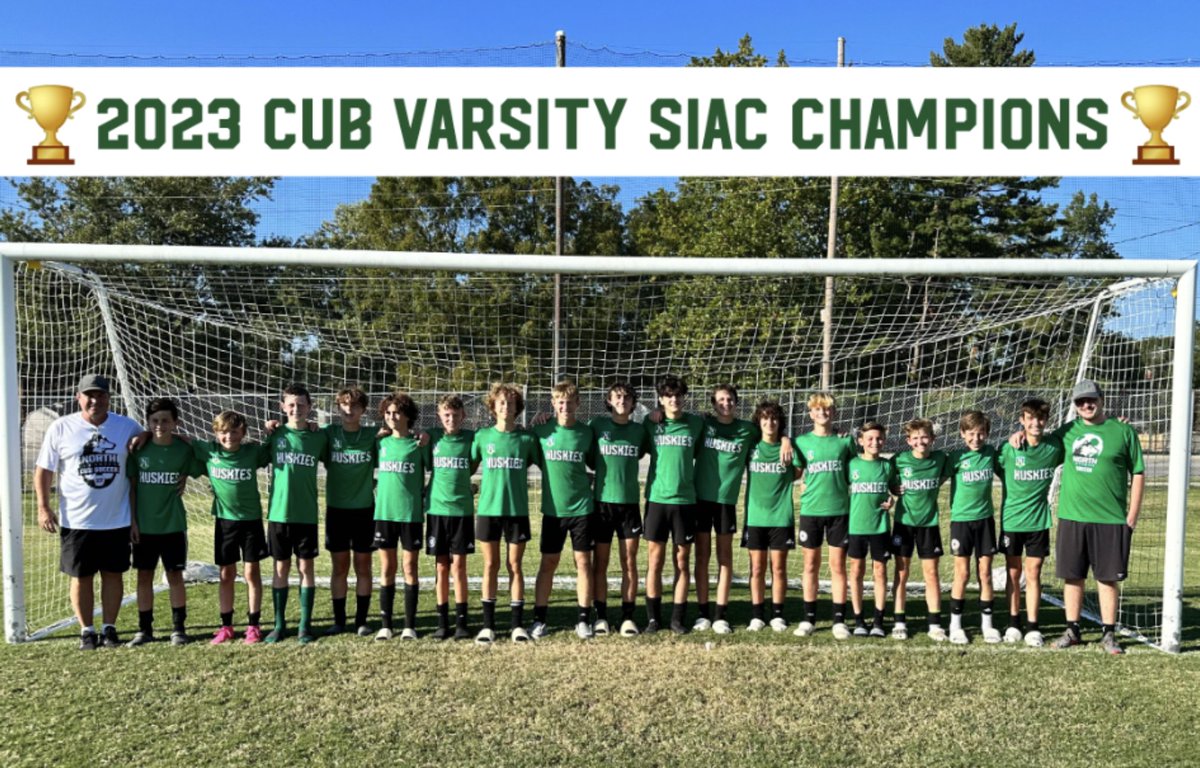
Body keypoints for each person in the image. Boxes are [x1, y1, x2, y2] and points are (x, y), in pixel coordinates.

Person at [35, 374, 143, 650]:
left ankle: (109, 628)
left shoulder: (126, 426)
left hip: (116, 519)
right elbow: (44, 469)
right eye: (89, 395)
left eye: (101, 395)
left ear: (109, 397)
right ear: (78, 397)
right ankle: (87, 630)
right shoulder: (61, 427)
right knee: (80, 577)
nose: (95, 400)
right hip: (77, 520)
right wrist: (43, 507)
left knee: (113, 574)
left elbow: (152, 437)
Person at [1048, 380, 1143, 654]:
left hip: (1111, 519)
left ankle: (1109, 633)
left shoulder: (1122, 431)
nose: (1086, 405)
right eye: (1080, 402)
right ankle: (1073, 630)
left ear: (1101, 399)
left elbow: (1138, 472)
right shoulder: (1067, 432)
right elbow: (1038, 446)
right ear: (1075, 406)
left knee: (1107, 578)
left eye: (1091, 400)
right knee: (1073, 576)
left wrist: (1132, 515)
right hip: (1072, 517)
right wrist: (1016, 437)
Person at [194, 410, 271, 645]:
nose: (229, 436)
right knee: (226, 574)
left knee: (251, 573)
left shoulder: (252, 452)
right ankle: (226, 626)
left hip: (251, 521)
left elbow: (273, 446)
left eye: (235, 432)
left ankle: (253, 625)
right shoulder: (208, 451)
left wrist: (272, 428)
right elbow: (181, 441)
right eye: (224, 432)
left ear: (243, 433)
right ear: (216, 433)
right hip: (224, 521)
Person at [127, 398, 199, 647]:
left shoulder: (184, 450)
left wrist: (187, 471)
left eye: (166, 420)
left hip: (173, 525)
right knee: (144, 577)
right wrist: (133, 522)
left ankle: (178, 628)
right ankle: (144, 630)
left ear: (175, 423)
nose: (160, 425)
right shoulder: (139, 449)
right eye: (155, 421)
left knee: (175, 576)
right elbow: (133, 488)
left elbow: (203, 457)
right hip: (144, 527)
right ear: (148, 423)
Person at [471, 383, 538, 644]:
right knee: (490, 565)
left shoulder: (526, 439)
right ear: (493, 406)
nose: (505, 407)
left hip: (517, 511)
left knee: (515, 566)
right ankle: (488, 626)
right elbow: (468, 466)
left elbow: (542, 461)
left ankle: (516, 626)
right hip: (488, 510)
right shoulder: (482, 437)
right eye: (501, 402)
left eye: (510, 403)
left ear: (517, 408)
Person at [531, 380, 596, 640]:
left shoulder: (587, 433)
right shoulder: (542, 431)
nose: (565, 406)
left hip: (582, 509)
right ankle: (539, 620)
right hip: (553, 511)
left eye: (570, 402)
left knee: (583, 563)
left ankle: (583, 620)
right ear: (553, 404)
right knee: (548, 563)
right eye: (560, 402)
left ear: (577, 404)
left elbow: (594, 463)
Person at [264, 383, 329, 644]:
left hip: (306, 515)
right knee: (280, 569)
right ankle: (279, 625)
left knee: (306, 568)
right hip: (279, 515)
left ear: (309, 408)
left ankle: (304, 625)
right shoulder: (275, 435)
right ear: (283, 407)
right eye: (291, 405)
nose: (296, 409)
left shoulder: (318, 437)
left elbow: (334, 457)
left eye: (301, 404)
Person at [997, 398, 1063, 648]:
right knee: (1013, 573)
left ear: (1046, 420)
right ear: (1021, 420)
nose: (1036, 423)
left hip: (1038, 522)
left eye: (1041, 418)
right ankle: (1013, 622)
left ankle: (1033, 626)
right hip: (1012, 521)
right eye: (1030, 418)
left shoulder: (1054, 447)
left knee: (1033, 573)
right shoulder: (1008, 449)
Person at [642, 375, 705, 634]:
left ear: (684, 398)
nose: (674, 400)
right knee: (654, 561)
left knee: (682, 561)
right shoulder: (650, 423)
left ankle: (677, 618)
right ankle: (653, 619)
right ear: (661, 399)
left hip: (686, 501)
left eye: (678, 395)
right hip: (657, 500)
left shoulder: (696, 425)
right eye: (669, 396)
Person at [692, 384, 757, 634]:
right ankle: (702, 613)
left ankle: (720, 614)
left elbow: (771, 432)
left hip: (726, 502)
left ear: (736, 402)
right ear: (713, 403)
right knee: (702, 557)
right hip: (700, 500)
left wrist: (784, 439)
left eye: (729, 399)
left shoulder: (746, 429)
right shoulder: (704, 426)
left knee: (724, 558)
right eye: (720, 400)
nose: (725, 403)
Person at [794, 393, 856, 640]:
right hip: (811, 512)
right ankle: (809, 619)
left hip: (839, 512)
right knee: (810, 565)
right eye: (818, 409)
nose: (823, 413)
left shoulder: (845, 441)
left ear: (834, 412)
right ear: (810, 413)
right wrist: (801, 483)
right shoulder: (801, 442)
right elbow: (797, 472)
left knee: (837, 566)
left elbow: (857, 470)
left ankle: (839, 620)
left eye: (827, 409)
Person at [589, 380, 647, 637]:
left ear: (633, 403)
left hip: (629, 506)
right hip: (602, 504)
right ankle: (600, 616)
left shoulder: (640, 431)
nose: (622, 401)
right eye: (617, 397)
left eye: (627, 397)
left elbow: (643, 453)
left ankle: (627, 617)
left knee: (629, 563)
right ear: (609, 401)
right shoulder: (597, 427)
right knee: (600, 563)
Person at [373, 392, 428, 641]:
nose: (391, 417)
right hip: (384, 514)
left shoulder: (419, 444)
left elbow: (436, 470)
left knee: (409, 568)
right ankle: (386, 625)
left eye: (396, 412)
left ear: (407, 415)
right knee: (387, 567)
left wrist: (425, 495)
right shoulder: (380, 443)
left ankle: (409, 625)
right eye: (387, 413)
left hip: (411, 515)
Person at [322, 387, 377, 637]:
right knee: (339, 568)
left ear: (363, 410)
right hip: (337, 511)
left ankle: (361, 621)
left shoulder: (373, 435)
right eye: (344, 404)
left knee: (363, 567)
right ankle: (339, 620)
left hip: (364, 511)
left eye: (354, 405)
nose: (349, 409)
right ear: (338, 407)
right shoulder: (327, 434)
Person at [889, 418, 949, 641]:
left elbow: (946, 475)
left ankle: (934, 624)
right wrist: (892, 487)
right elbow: (887, 479)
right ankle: (899, 621)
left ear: (933, 439)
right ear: (908, 441)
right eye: (916, 438)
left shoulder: (941, 459)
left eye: (925, 437)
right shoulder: (899, 460)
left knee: (931, 574)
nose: (921, 441)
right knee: (901, 573)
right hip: (904, 524)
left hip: (929, 525)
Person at [741, 400, 799, 633]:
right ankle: (757, 615)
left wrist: (786, 440)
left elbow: (798, 472)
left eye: (774, 418)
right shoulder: (751, 446)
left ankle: (777, 614)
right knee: (756, 568)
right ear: (759, 421)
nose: (770, 422)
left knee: (779, 568)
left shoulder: (789, 448)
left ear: (780, 422)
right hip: (755, 517)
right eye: (765, 418)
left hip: (780, 517)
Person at [425, 394, 477, 641]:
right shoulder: (432, 437)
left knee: (459, 567)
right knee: (441, 566)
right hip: (436, 511)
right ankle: (441, 622)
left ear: (463, 416)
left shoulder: (471, 438)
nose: (451, 419)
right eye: (446, 415)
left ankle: (461, 623)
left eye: (456, 415)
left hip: (462, 512)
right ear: (439, 416)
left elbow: (475, 465)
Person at [946, 411, 1001, 645]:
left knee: (985, 573)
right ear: (962, 434)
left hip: (985, 521)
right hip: (961, 521)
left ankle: (987, 625)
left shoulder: (991, 454)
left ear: (987, 434)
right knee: (962, 573)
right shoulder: (955, 457)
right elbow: (932, 478)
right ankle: (955, 625)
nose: (976, 438)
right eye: (971, 434)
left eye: (980, 434)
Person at [846, 421, 897, 638]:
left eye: (879, 438)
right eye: (870, 439)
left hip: (880, 528)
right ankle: (858, 619)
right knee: (857, 571)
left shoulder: (887, 466)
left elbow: (894, 490)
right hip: (856, 527)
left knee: (880, 571)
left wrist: (891, 500)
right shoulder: (852, 465)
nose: (875, 442)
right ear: (860, 441)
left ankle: (878, 620)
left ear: (884, 440)